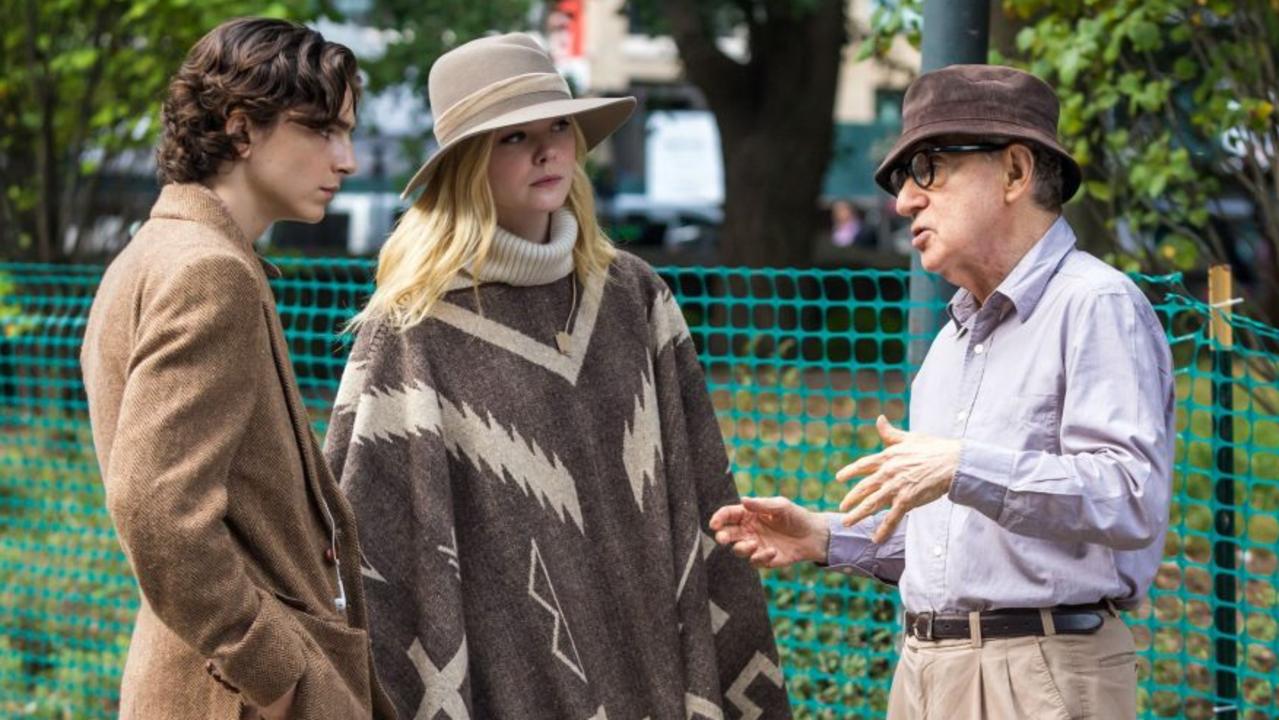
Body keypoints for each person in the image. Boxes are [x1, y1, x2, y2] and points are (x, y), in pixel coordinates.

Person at [323, 33, 791, 720]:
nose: (546, 151)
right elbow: (372, 542)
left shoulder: (635, 298)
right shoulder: (415, 328)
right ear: (465, 164)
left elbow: (696, 492)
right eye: (512, 137)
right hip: (500, 676)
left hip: (651, 658)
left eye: (558, 128)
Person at [710, 64, 1174, 719]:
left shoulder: (1093, 304)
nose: (904, 201)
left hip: (1040, 674)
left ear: (1014, 172)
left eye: (929, 168)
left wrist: (961, 464)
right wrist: (823, 536)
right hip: (925, 674)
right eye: (903, 180)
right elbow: (965, 542)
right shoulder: (952, 343)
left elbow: (1128, 497)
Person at [80, 18, 394, 720]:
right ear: (241, 129)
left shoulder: (155, 253)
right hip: (235, 697)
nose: (345, 160)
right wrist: (273, 675)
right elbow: (155, 507)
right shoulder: (208, 271)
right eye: (321, 130)